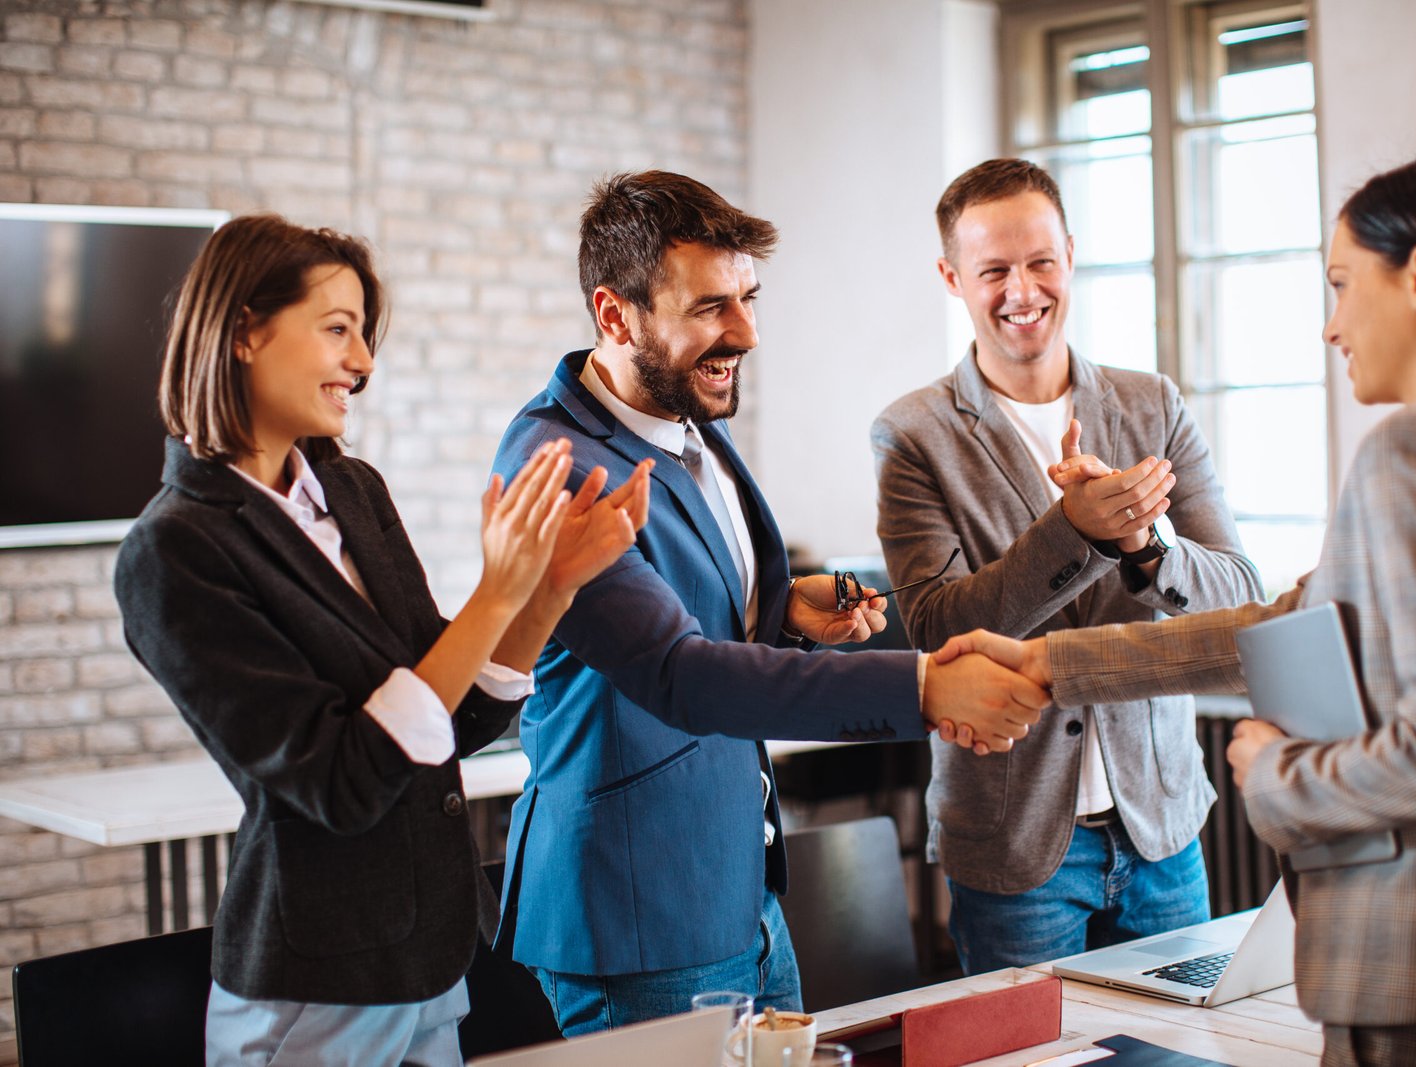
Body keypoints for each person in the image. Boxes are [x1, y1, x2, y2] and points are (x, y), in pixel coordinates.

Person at [935, 150, 1416, 1065]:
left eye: (1342, 283)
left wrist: (1276, 770)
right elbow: (1287, 625)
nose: (1332, 325)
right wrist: (1053, 664)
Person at [490, 170, 1051, 1036]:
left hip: (739, 891)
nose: (746, 333)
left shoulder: (688, 422)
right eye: (711, 307)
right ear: (615, 315)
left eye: (749, 299)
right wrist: (923, 686)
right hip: (640, 915)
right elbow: (679, 674)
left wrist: (781, 605)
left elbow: (685, 605)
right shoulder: (558, 465)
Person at [113, 214, 651, 1067]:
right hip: (315, 991)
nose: (363, 362)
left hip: (431, 966)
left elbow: (450, 720)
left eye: (364, 333)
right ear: (244, 330)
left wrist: (550, 588)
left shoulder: (351, 490)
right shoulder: (171, 549)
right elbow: (340, 781)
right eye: (338, 329)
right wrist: (497, 591)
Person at [871, 157, 1264, 973]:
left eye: (1041, 261)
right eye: (994, 271)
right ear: (952, 277)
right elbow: (938, 627)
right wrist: (1074, 532)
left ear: (1072, 256)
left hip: (1163, 833)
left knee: (1182, 1045)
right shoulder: (912, 435)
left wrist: (1146, 546)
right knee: (1033, 1045)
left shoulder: (1153, 403)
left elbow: (1241, 597)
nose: (1023, 290)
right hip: (1015, 848)